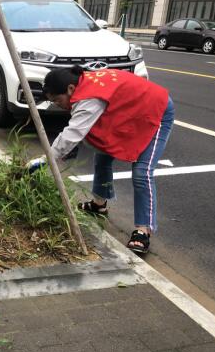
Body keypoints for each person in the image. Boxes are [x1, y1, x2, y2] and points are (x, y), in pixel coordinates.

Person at [27, 66, 174, 254]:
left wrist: (46, 159)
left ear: (70, 89)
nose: (58, 105)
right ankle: (98, 205)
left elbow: (73, 134)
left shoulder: (89, 97)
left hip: (156, 110)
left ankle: (143, 231)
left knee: (142, 173)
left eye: (57, 100)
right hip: (131, 110)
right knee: (103, 156)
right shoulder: (83, 84)